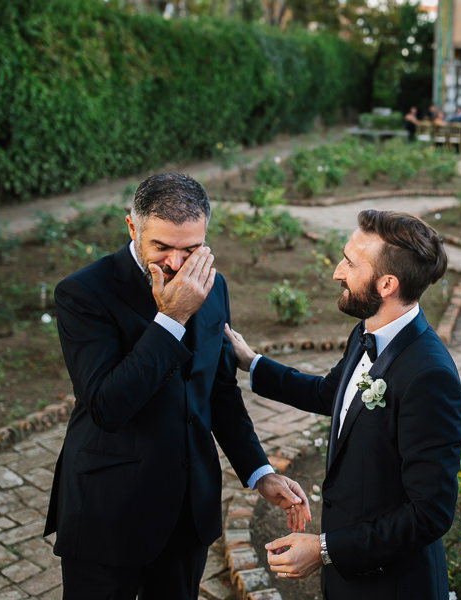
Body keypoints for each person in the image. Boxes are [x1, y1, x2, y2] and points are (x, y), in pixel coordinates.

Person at [45, 173, 311, 600]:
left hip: (188, 509)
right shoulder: (83, 294)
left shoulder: (214, 284)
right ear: (132, 228)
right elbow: (107, 406)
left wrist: (259, 472)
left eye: (191, 249)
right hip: (107, 507)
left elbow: (219, 392)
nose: (176, 263)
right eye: (161, 247)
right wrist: (171, 319)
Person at [225, 210, 461, 600]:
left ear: (387, 283)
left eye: (351, 263)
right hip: (348, 578)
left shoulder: (429, 377)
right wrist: (252, 363)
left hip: (393, 586)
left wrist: (324, 550)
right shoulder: (367, 332)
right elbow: (330, 394)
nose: (338, 271)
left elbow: (430, 514)